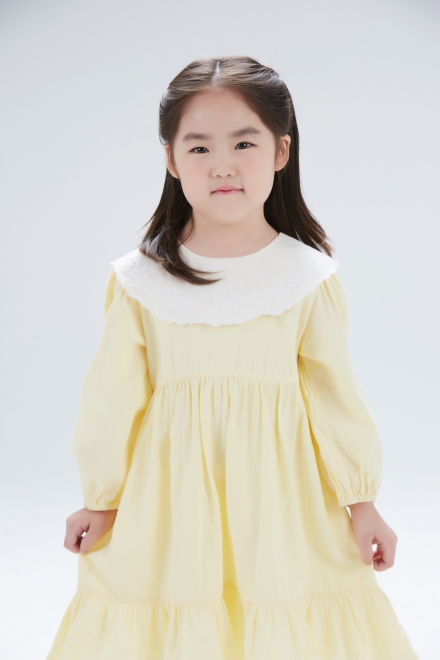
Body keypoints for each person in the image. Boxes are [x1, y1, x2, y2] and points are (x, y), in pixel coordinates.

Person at [46, 55, 419, 659]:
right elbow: (112, 398)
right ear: (171, 160)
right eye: (199, 148)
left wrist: (362, 500)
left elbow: (335, 399)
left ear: (280, 151)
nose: (222, 164)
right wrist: (100, 498)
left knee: (284, 603)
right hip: (169, 505)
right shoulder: (141, 280)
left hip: (283, 503)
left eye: (244, 143)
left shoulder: (307, 278)